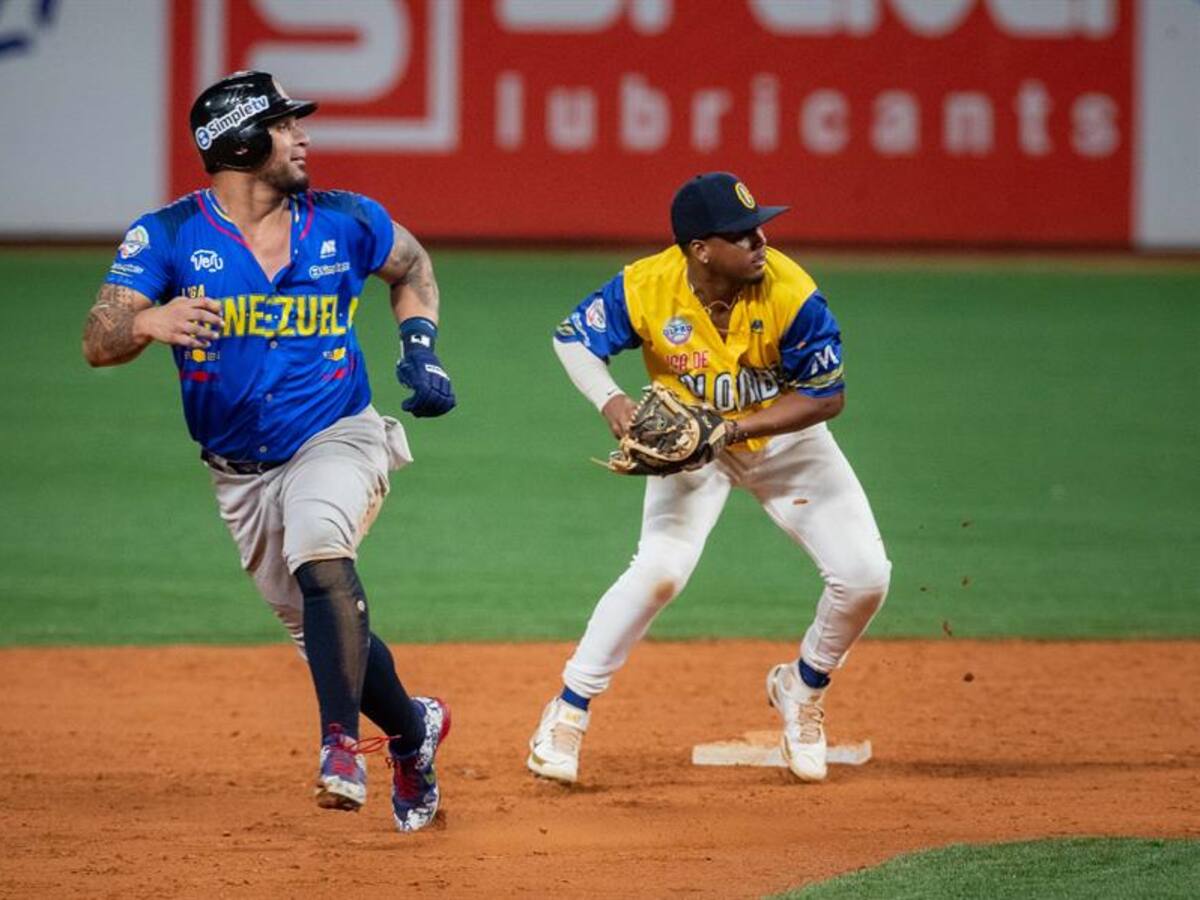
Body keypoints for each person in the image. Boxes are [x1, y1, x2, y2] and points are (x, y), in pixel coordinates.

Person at [82, 71, 454, 832]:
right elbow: (98, 338)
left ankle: (339, 749)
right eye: (285, 125)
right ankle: (413, 731)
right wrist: (150, 323)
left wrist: (421, 349)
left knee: (322, 553)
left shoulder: (346, 219)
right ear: (241, 141)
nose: (303, 136)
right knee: (324, 635)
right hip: (238, 474)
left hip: (337, 433)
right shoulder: (170, 236)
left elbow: (411, 266)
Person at [527, 172, 891, 784]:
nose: (761, 242)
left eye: (760, 228)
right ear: (700, 249)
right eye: (743, 234)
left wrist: (728, 428)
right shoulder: (647, 286)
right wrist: (612, 402)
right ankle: (566, 712)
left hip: (788, 444)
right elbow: (572, 339)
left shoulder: (792, 291)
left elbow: (826, 396)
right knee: (660, 571)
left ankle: (801, 688)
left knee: (865, 578)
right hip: (692, 449)